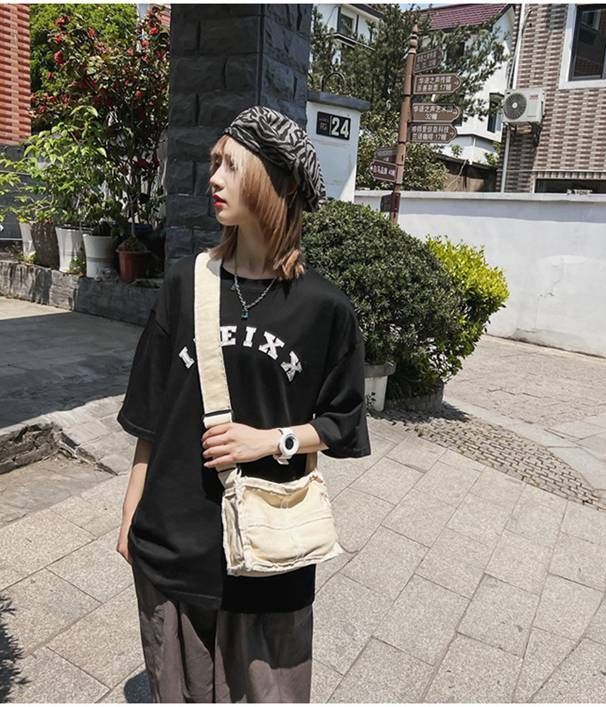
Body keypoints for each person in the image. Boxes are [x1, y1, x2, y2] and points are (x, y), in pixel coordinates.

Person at [115, 105, 372, 703]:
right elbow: (150, 416)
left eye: (231, 165)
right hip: (174, 543)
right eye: (214, 164)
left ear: (279, 183)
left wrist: (272, 440)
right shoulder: (185, 283)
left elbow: (342, 423)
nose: (214, 178)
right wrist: (130, 518)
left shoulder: (324, 308)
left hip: (269, 554)